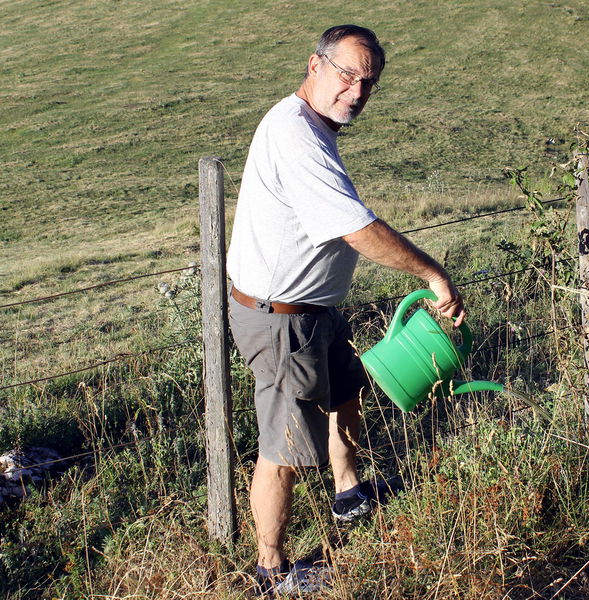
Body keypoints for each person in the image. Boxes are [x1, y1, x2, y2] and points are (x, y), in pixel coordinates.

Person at [226, 24, 465, 596]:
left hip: (314, 311)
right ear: (315, 65)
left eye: (368, 82)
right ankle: (271, 571)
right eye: (347, 75)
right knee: (283, 448)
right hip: (282, 320)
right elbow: (356, 228)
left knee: (346, 393)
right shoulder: (296, 135)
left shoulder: (312, 124)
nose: (357, 92)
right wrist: (433, 274)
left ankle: (348, 492)